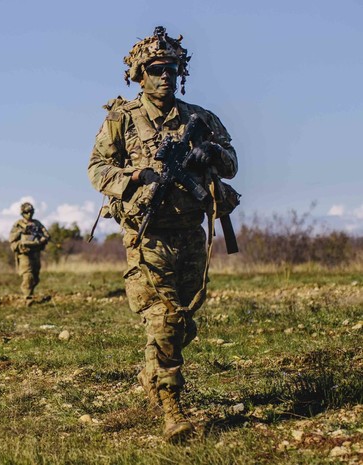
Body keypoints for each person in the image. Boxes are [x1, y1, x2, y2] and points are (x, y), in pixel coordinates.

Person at [88, 26, 238, 442]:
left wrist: (213, 154)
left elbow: (231, 164)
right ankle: (173, 408)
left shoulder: (199, 119)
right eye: (156, 68)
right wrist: (133, 175)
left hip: (189, 234)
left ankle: (151, 374)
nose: (165, 75)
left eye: (171, 68)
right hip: (147, 236)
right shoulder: (121, 120)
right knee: (164, 318)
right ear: (140, 73)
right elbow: (97, 169)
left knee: (183, 320)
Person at [8, 202, 50, 305]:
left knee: (35, 277)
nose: (29, 214)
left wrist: (42, 239)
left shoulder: (37, 224)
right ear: (22, 213)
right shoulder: (18, 225)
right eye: (27, 212)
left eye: (31, 212)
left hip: (35, 253)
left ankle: (29, 293)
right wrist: (21, 237)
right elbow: (12, 240)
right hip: (24, 255)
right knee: (28, 276)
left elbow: (46, 234)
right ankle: (27, 298)